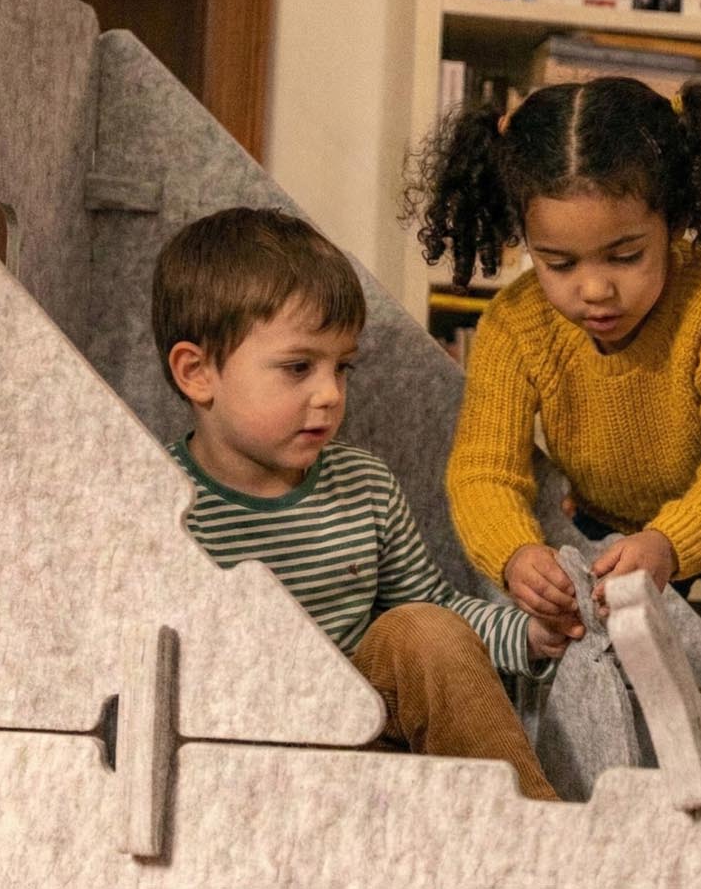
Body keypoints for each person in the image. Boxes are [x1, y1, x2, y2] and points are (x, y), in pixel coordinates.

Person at [402, 76, 701, 721]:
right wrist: (515, 552)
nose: (594, 290)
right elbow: (484, 470)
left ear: (674, 220)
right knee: (607, 674)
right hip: (613, 513)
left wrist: (671, 543)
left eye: (625, 256)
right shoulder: (514, 325)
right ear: (525, 243)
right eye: (559, 264)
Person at [151, 206, 566, 801]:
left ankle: (540, 837)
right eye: (298, 368)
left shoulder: (363, 482)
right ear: (198, 373)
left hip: (364, 740)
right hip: (236, 761)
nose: (329, 394)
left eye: (341, 368)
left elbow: (439, 615)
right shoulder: (162, 504)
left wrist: (530, 636)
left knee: (421, 629)